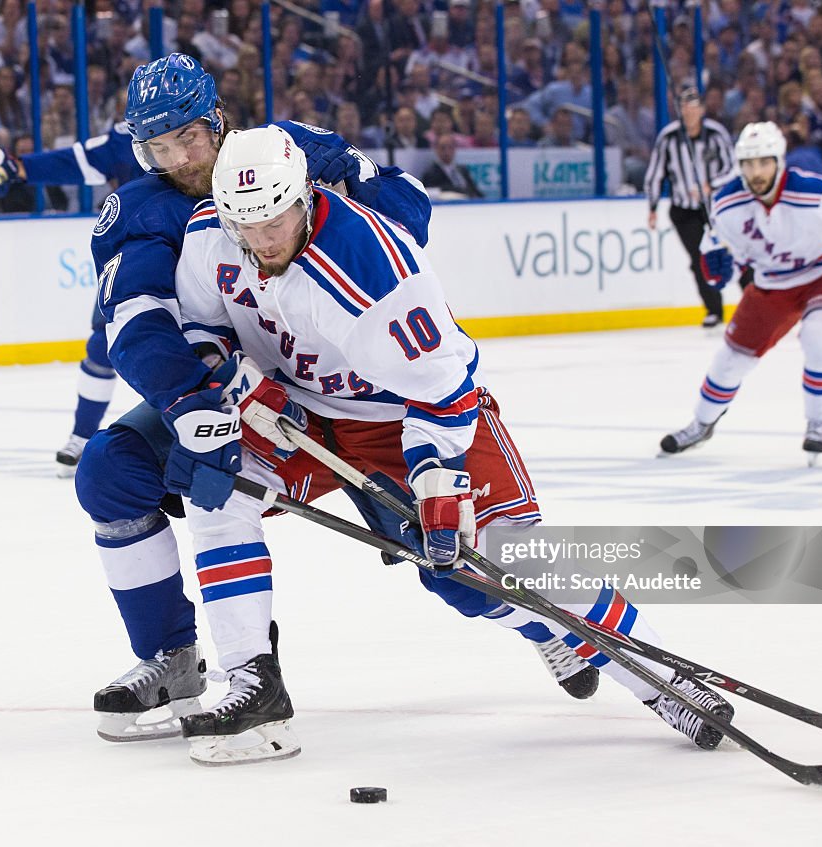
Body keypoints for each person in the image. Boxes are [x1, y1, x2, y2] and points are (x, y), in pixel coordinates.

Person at [143, 124, 735, 765]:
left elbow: (446, 391)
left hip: (406, 416)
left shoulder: (374, 269)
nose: (264, 242)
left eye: (277, 222)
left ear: (305, 193)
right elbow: (204, 327)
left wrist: (436, 484)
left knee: (498, 566)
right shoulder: (211, 235)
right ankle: (252, 684)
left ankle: (663, 681)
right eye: (247, 228)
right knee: (216, 488)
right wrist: (238, 384)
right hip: (301, 415)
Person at [660, 122, 822, 463]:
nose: (756, 172)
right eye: (749, 164)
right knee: (730, 360)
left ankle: (818, 422)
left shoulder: (813, 192)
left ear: (779, 161)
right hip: (773, 283)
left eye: (764, 162)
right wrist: (716, 266)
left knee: (821, 337)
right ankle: (701, 423)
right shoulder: (726, 204)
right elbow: (721, 250)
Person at [0, 121, 143, 476]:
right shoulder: (124, 138)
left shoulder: (208, 134)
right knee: (102, 347)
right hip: (138, 261)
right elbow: (74, 161)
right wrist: (17, 167)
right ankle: (82, 438)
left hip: (196, 258)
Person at [643, 86, 737, 328]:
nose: (689, 111)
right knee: (699, 259)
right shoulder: (669, 138)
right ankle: (713, 309)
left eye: (694, 106)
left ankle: (754, 298)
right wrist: (652, 207)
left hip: (716, 207)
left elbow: (733, 169)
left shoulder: (716, 135)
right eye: (684, 106)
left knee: (736, 251)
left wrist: (711, 185)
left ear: (702, 109)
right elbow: (655, 173)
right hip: (684, 210)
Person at [421, 132, 482, 199]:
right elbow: (432, 192)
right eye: (443, 148)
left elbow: (474, 190)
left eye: (450, 147)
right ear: (437, 149)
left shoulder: (462, 170)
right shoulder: (431, 173)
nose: (447, 151)